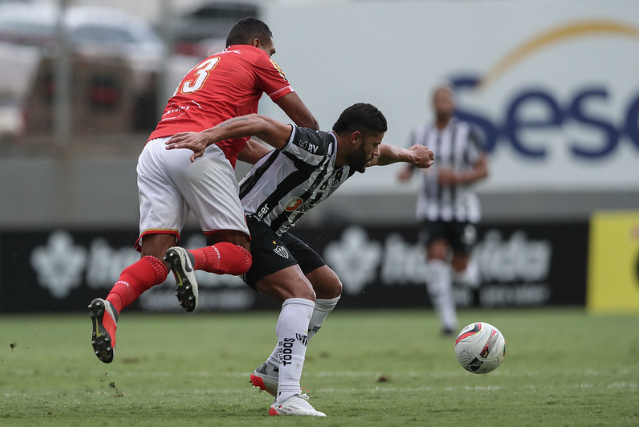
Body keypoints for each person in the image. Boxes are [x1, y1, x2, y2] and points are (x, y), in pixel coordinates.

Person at [165, 103, 434, 416]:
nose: (376, 153)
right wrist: (206, 137)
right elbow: (258, 121)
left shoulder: (352, 157)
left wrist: (410, 156)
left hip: (270, 230)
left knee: (328, 287)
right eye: (372, 144)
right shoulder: (316, 146)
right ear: (355, 138)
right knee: (302, 293)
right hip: (245, 222)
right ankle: (288, 396)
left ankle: (275, 368)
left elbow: (385, 153)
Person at [88, 17, 318, 364]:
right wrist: (316, 157)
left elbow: (244, 147)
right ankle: (189, 259)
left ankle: (112, 305)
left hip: (155, 150)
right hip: (197, 151)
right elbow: (307, 125)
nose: (272, 57)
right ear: (258, 43)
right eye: (272, 50)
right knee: (240, 254)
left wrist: (274, 162)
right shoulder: (257, 59)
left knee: (153, 259)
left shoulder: (207, 67)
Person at [397, 83, 489, 336]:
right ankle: (448, 323)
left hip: (462, 210)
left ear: (454, 105)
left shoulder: (466, 133)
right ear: (432, 104)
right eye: (438, 99)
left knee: (460, 270)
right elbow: (409, 161)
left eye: (446, 99)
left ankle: (471, 276)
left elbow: (483, 169)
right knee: (435, 259)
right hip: (431, 209)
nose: (442, 104)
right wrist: (405, 173)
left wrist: (457, 177)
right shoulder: (421, 133)